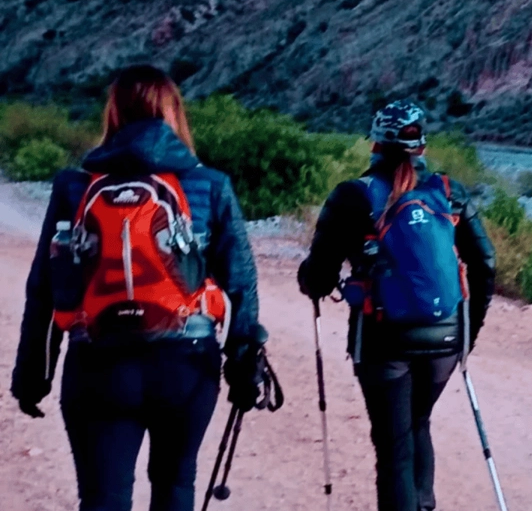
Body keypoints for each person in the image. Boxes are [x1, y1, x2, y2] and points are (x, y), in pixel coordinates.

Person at [10, 64, 267, 511]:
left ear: (113, 113)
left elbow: (45, 287)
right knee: (175, 485)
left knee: (103, 498)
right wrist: (244, 367)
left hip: (98, 363)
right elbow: (240, 282)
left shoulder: (74, 187)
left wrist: (33, 375)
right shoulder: (209, 185)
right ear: (174, 113)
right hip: (186, 362)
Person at [297, 100, 496, 511]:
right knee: (418, 423)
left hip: (383, 339)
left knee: (394, 450)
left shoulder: (352, 196)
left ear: (374, 143)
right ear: (423, 146)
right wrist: (467, 336)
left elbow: (317, 277)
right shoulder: (450, 193)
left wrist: (313, 279)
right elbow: (486, 263)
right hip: (444, 339)